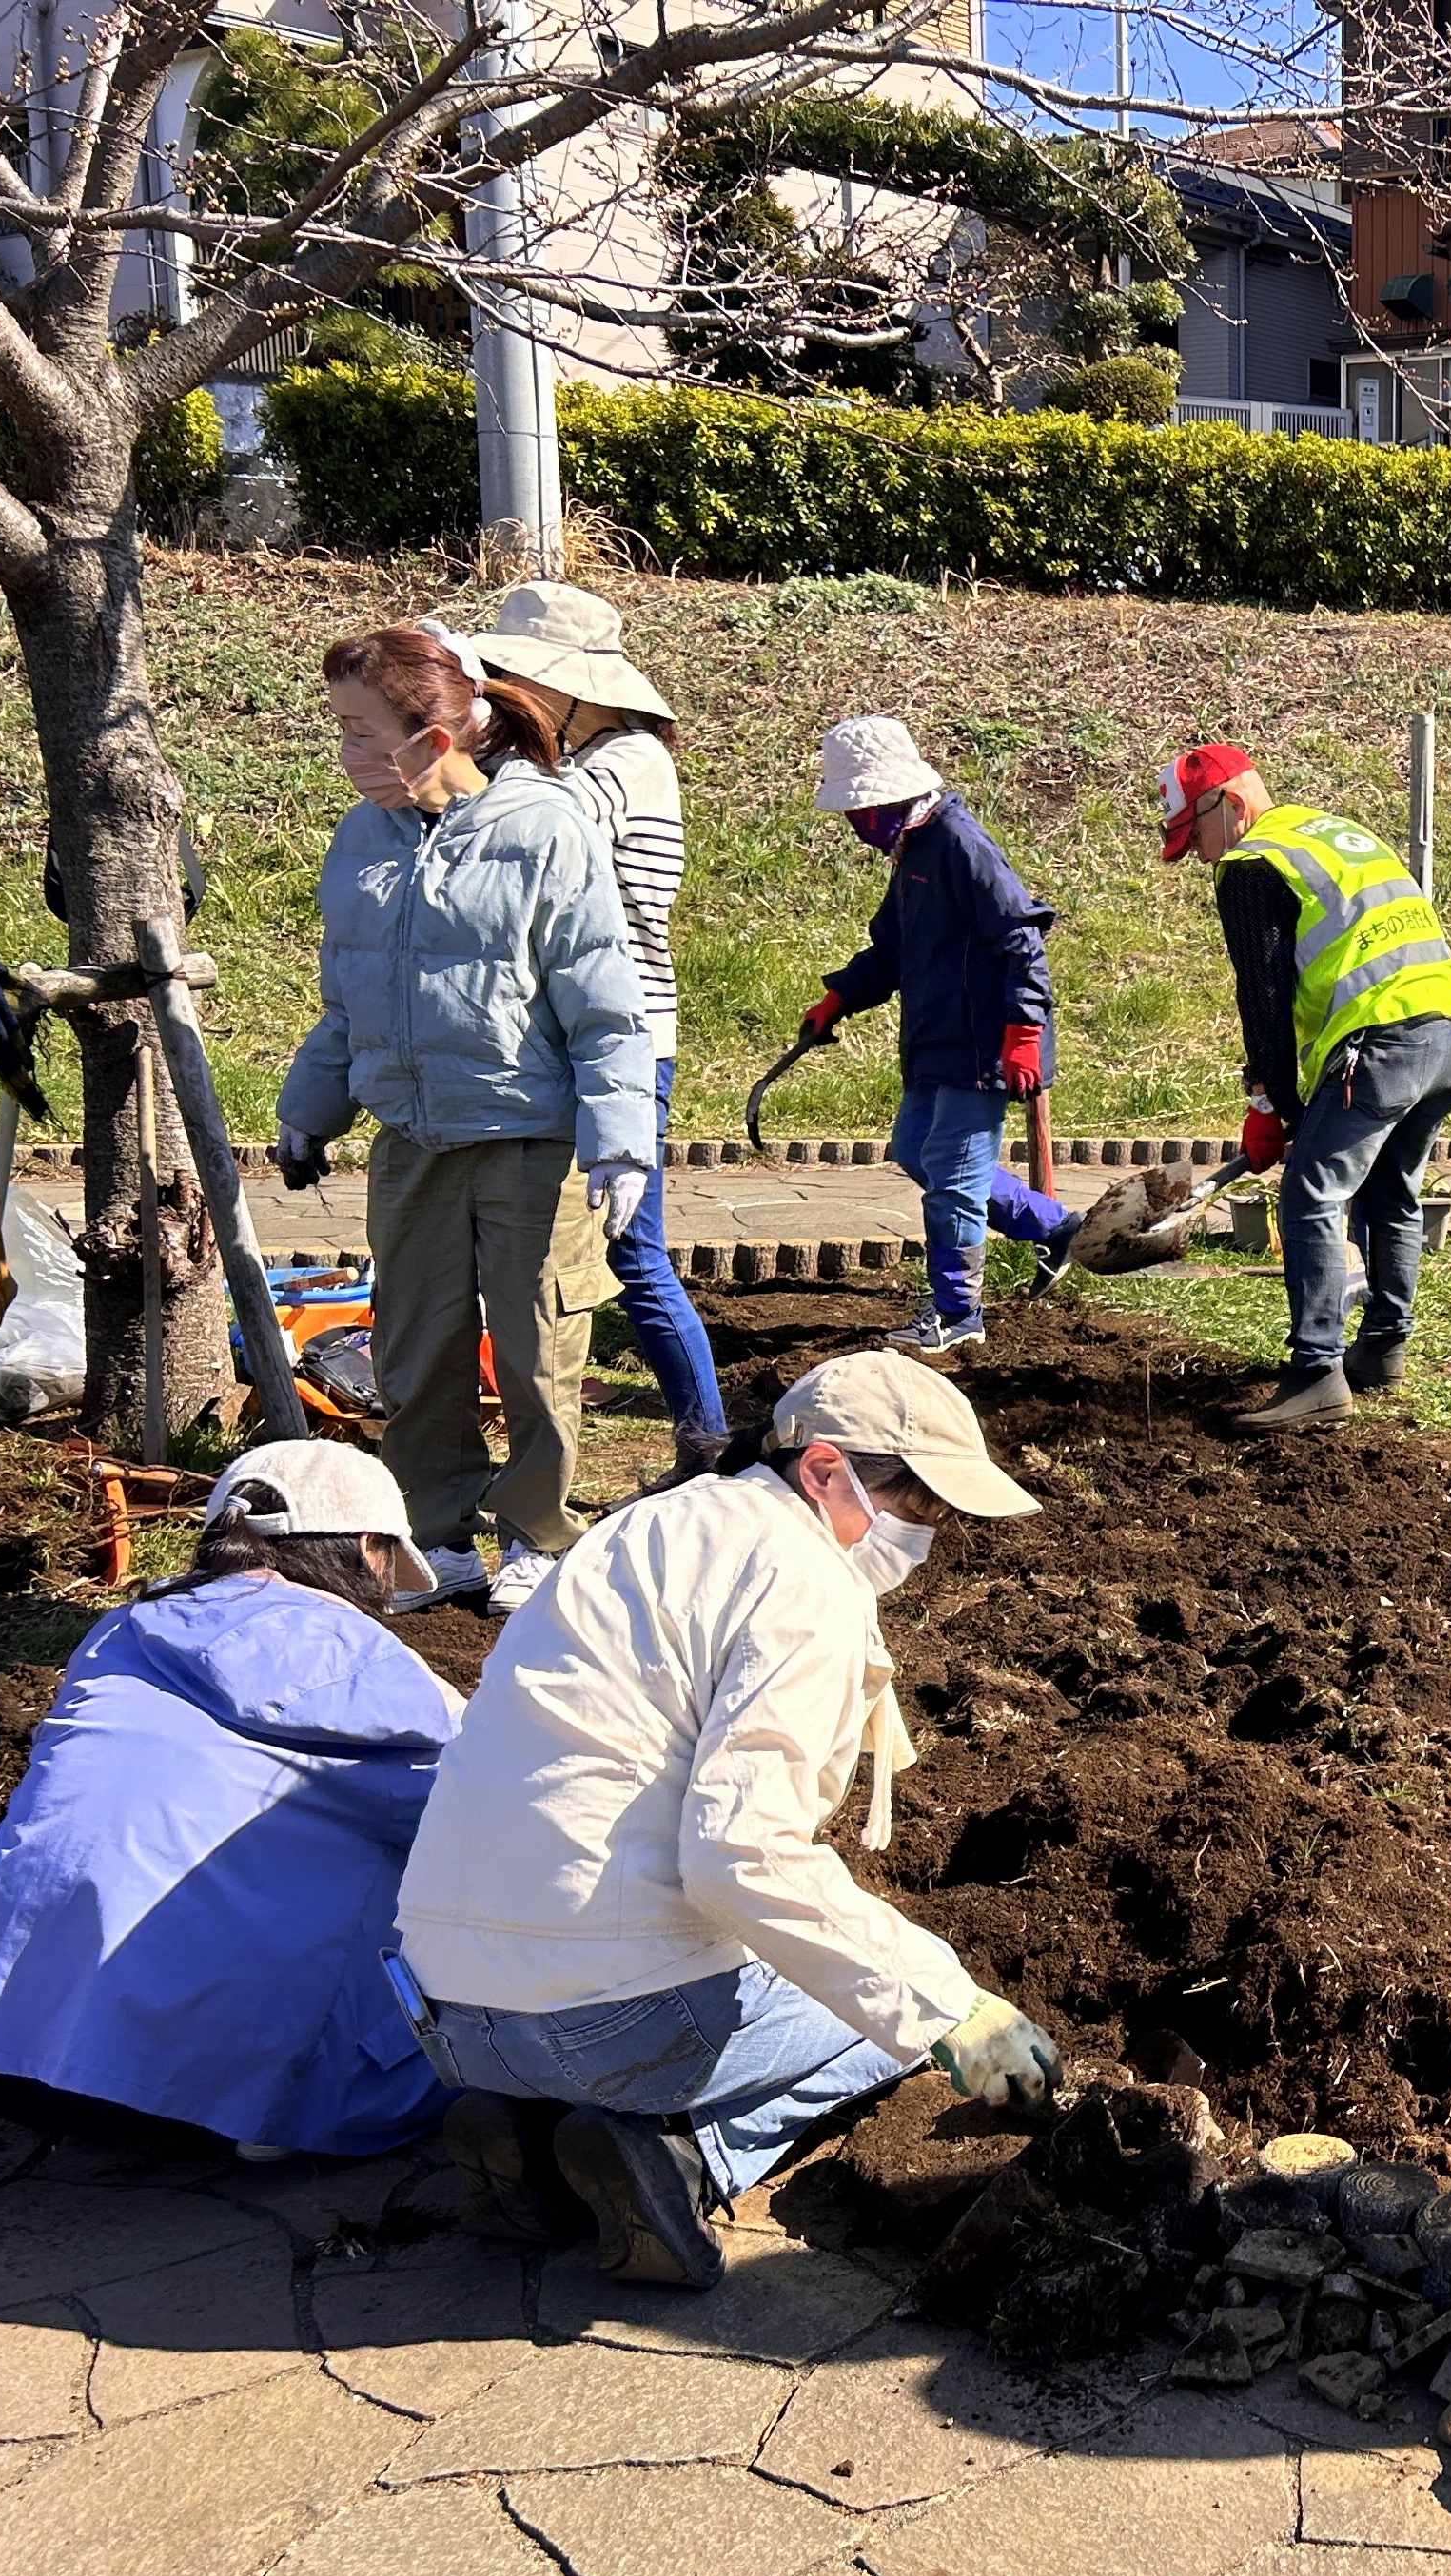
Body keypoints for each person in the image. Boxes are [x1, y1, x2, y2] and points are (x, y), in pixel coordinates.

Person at [387, 1351, 1066, 2289]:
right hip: (601, 2028)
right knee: (888, 2018)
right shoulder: (803, 1582)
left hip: (450, 2017)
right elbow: (739, 1857)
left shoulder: (644, 1527)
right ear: (823, 1470)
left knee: (805, 1968)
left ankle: (526, 2142)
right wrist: (952, 2008)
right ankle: (683, 2160)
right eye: (918, 1509)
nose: (924, 1538)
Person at [0, 1443, 461, 2161]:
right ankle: (284, 2093)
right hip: (187, 2098)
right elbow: (482, 1825)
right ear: (369, 1547)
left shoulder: (119, 1633)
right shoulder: (381, 1672)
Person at [281, 623, 657, 1614]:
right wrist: (308, 1112)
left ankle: (538, 1535)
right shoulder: (362, 838)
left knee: (537, 1351)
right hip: (415, 1145)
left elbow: (603, 1000)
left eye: (361, 732)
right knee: (415, 1352)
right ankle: (438, 1536)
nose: (346, 753)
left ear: (433, 739)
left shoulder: (544, 829)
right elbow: (346, 1001)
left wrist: (621, 1144)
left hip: (532, 1143)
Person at [471, 584, 727, 1475]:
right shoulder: (588, 759)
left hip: (626, 1035)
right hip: (583, 1035)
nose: (501, 692)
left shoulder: (626, 762)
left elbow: (537, 839)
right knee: (598, 1251)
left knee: (635, 1253)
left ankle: (707, 1447)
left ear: (574, 686)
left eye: (514, 678)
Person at [1159, 741, 1451, 1431]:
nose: (1200, 857)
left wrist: (1271, 1102)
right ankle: (1383, 1348)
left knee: (1310, 1193)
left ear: (1230, 804)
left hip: (1382, 1044)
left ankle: (1315, 1373)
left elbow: (1264, 995)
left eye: (1195, 835)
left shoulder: (1253, 863)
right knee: (1390, 1191)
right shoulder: (1333, 835)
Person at [797, 717, 1073, 1356]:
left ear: (892, 797)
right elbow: (893, 950)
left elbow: (1021, 937)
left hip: (984, 1044)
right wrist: (840, 997)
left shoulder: (958, 842)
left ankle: (957, 1313)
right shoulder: (913, 852)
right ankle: (1056, 1228)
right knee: (916, 1149)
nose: (857, 824)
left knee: (953, 1177)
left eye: (862, 810)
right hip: (937, 1041)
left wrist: (1024, 1030)